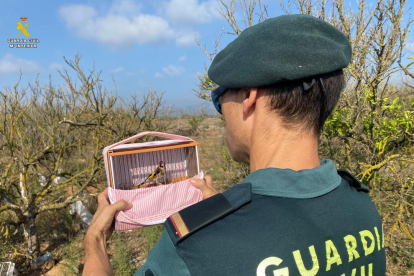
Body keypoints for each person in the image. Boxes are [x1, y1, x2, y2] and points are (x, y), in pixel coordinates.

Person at [83, 14, 386, 276]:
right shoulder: (364, 209)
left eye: (219, 99)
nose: (221, 111)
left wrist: (94, 242)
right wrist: (224, 213)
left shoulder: (193, 248)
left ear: (249, 97)